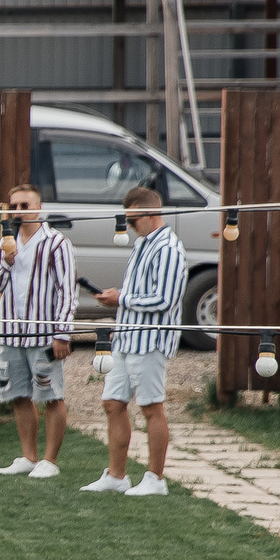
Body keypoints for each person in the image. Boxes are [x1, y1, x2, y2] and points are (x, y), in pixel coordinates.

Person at [88, 186, 182, 497]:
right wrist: (118, 299)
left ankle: (156, 479)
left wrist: (122, 298)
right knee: (112, 403)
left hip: (151, 339)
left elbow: (165, 299)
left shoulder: (168, 247)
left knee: (151, 407)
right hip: (127, 337)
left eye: (133, 220)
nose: (129, 226)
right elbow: (139, 292)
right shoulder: (143, 244)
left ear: (152, 214)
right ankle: (116, 476)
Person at [0, 183, 75, 478]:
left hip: (44, 334)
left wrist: (62, 333)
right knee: (18, 395)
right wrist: (6, 264)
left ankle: (50, 460)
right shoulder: (4, 244)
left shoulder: (56, 243)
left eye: (25, 205)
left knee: (50, 395)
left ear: (38, 208)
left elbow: (67, 292)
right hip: (10, 332)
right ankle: (28, 456)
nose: (19, 211)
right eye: (14, 206)